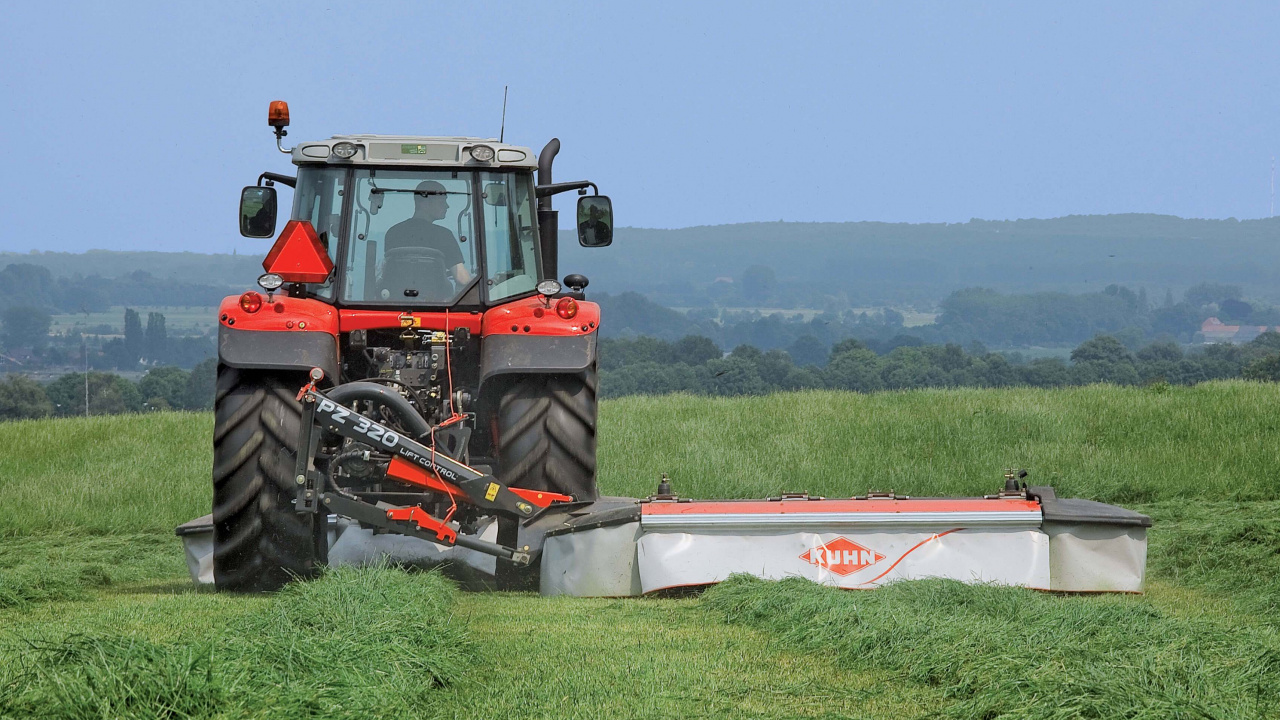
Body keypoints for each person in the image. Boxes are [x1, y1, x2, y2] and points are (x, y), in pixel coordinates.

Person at [383, 180, 472, 283]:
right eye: (441, 202)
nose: (447, 206)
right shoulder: (443, 235)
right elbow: (462, 278)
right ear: (424, 204)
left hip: (396, 297)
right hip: (436, 298)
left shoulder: (393, 233)